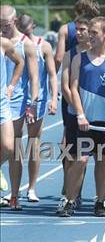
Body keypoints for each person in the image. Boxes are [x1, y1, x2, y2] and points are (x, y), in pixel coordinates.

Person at [59, 16, 105, 217]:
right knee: (81, 159)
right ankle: (69, 200)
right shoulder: (80, 59)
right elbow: (73, 88)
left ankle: (101, 201)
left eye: (94, 32)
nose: (90, 35)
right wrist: (80, 114)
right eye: (90, 32)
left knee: (104, 160)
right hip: (84, 121)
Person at [16, 14, 58, 202]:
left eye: (27, 29)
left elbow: (51, 74)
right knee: (13, 145)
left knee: (33, 144)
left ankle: (31, 187)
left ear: (33, 27)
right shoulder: (13, 44)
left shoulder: (44, 46)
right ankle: (15, 188)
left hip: (37, 100)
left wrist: (54, 98)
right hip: (16, 100)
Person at [1, 5, 39, 210]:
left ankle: (14, 196)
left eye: (5, 25)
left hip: (15, 103)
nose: (2, 28)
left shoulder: (27, 45)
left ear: (14, 22)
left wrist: (32, 103)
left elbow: (34, 79)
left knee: (14, 149)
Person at [56, 15, 91, 213]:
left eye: (82, 29)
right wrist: (79, 111)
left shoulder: (98, 54)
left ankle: (102, 196)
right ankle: (70, 194)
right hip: (73, 111)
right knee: (71, 153)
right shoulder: (70, 54)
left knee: (99, 155)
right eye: (76, 29)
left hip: (95, 112)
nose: (77, 33)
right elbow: (66, 86)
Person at [0, 36, 24, 208]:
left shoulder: (4, 43)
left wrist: (11, 86)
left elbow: (19, 63)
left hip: (1, 102)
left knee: (9, 146)